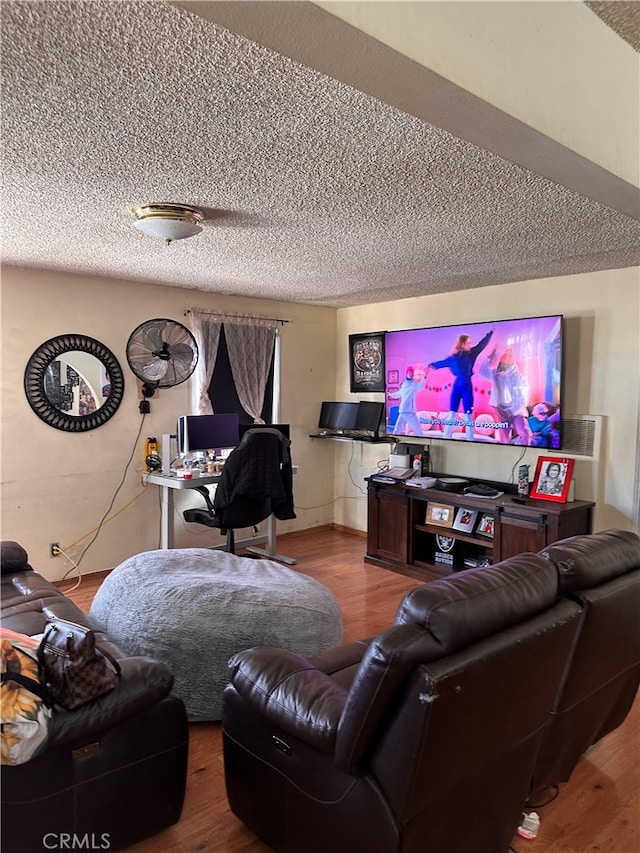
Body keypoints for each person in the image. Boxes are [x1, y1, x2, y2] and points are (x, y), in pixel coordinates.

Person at [428, 328, 494, 440]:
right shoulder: (452, 358)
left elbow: (482, 344)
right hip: (457, 388)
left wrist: (490, 333)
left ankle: (470, 439)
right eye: (468, 343)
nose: (470, 344)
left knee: (468, 416)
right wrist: (428, 366)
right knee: (452, 414)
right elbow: (438, 364)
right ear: (462, 344)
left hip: (467, 387)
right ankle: (446, 437)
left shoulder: (471, 354)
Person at [478, 347, 531, 444]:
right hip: (500, 410)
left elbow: (522, 400)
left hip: (516, 411)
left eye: (504, 365)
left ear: (510, 365)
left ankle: (526, 452)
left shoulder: (519, 379)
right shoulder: (495, 374)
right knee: (504, 439)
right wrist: (489, 358)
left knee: (524, 432)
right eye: (500, 364)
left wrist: (509, 411)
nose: (501, 367)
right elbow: (482, 372)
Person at [388, 365, 426, 436]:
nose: (411, 374)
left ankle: (423, 443)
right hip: (403, 410)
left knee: (417, 431)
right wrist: (391, 395)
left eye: (412, 373)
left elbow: (420, 387)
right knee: (398, 430)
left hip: (409, 411)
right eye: (410, 372)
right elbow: (399, 393)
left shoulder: (415, 384)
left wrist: (424, 377)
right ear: (406, 373)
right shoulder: (404, 385)